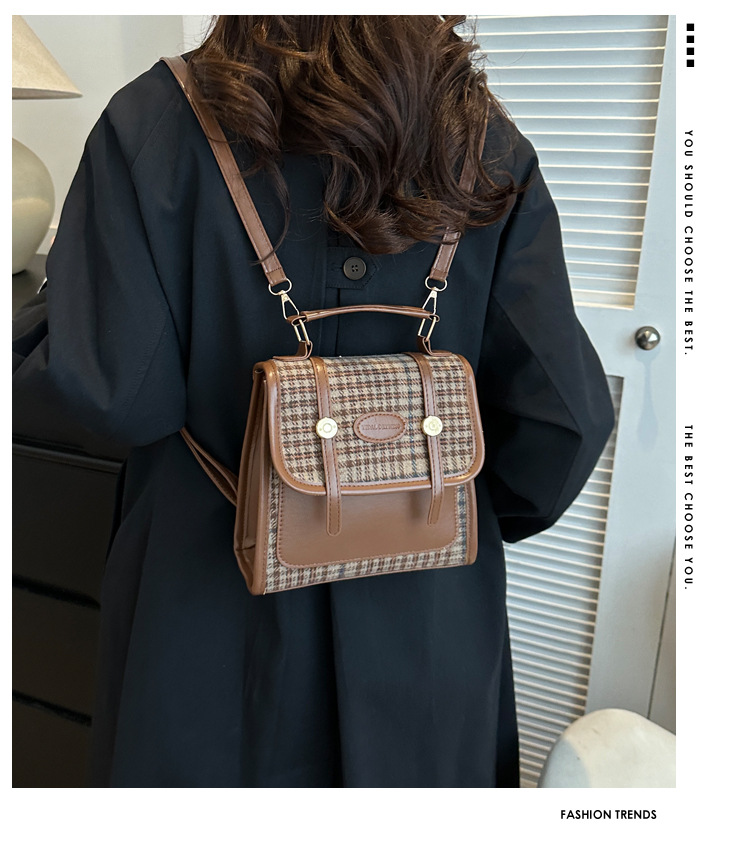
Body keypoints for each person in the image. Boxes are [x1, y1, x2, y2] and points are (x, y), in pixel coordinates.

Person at [12, 15, 614, 787]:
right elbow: (563, 421)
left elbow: (115, 392)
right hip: (426, 615)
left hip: (208, 611)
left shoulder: (152, 118)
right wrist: (415, 503)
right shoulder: (484, 137)